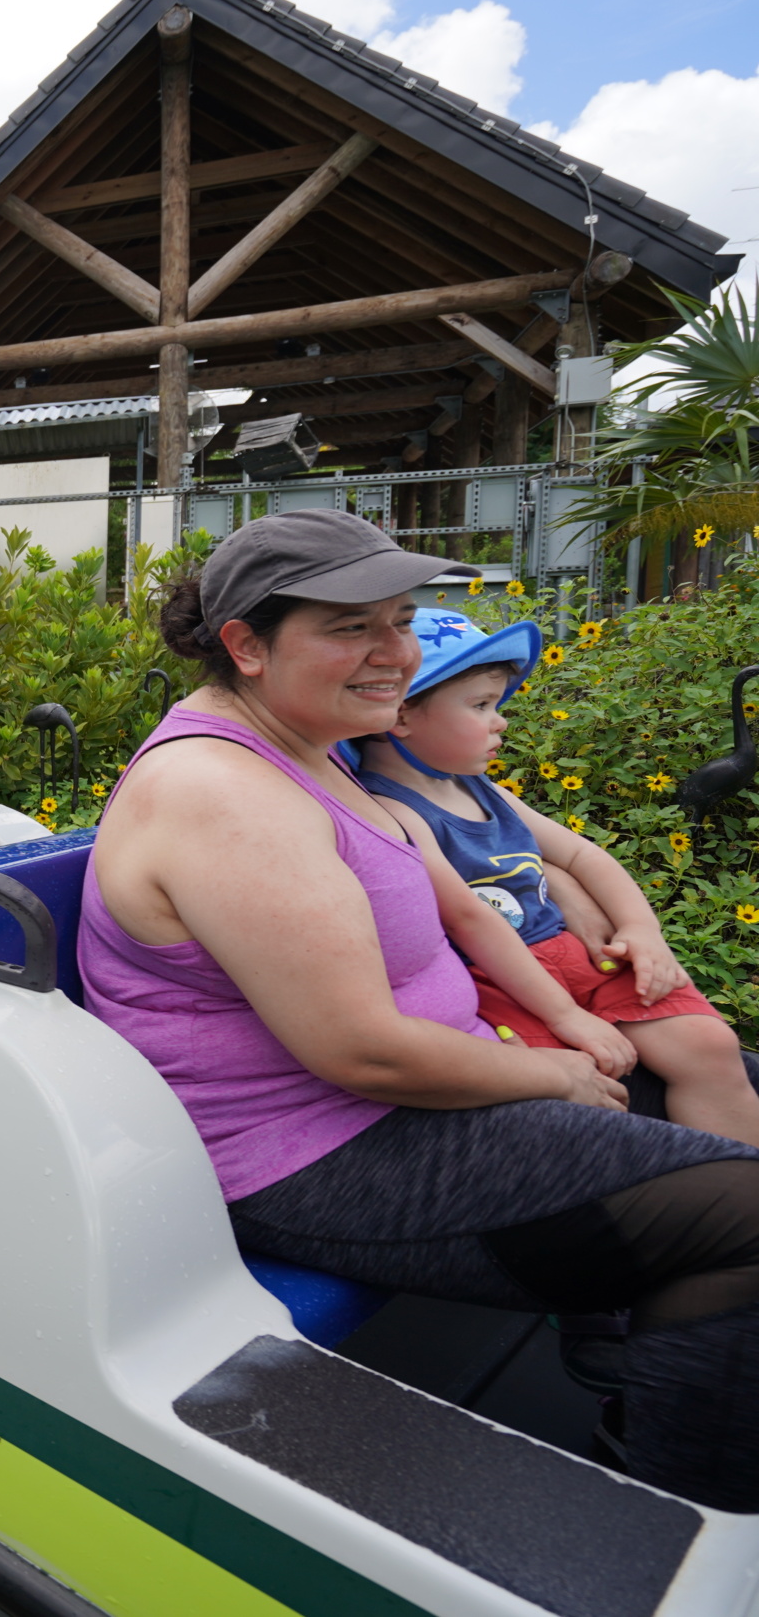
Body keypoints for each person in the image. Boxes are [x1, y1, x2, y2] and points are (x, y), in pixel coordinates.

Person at [81, 508, 759, 1511]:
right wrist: (554, 1071)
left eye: (399, 621)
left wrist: (573, 928)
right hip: (323, 1149)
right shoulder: (218, 791)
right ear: (246, 646)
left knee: (729, 1087)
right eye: (351, 627)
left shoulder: (311, 748)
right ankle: (681, 1509)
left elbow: (465, 883)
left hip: (429, 1088)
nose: (395, 653)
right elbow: (362, 1052)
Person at [354, 610, 759, 1148]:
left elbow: (583, 855)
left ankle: (735, 1185)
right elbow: (468, 918)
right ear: (401, 716)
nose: (500, 722)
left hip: (574, 953)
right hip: (499, 981)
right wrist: (565, 1015)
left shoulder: (484, 791)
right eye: (480, 705)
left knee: (708, 1046)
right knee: (579, 1094)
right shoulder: (392, 811)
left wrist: (642, 931)